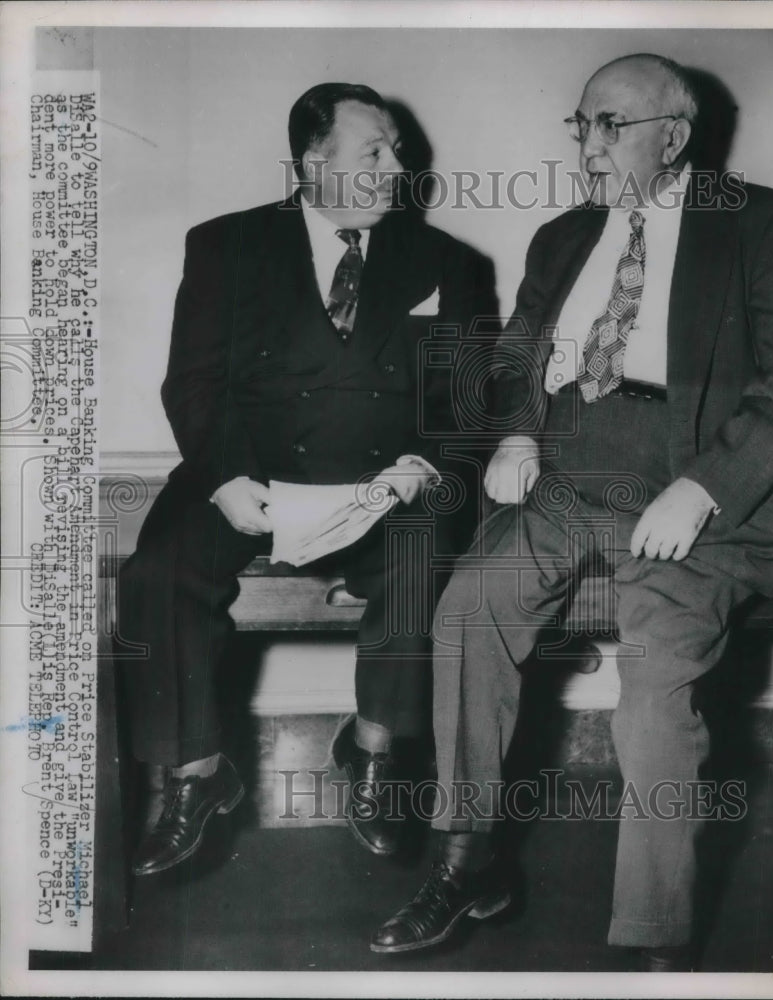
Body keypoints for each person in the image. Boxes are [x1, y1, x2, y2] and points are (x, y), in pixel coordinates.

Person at [371, 54, 773, 971]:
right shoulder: (563, 235)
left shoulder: (763, 224)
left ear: (672, 137)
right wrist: (517, 435)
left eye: (612, 126)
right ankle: (466, 858)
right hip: (567, 466)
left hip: (693, 489)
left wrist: (706, 484)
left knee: (652, 696)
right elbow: (519, 356)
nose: (589, 145)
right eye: (581, 125)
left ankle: (655, 943)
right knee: (468, 608)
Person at [117, 82, 493, 875]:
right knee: (157, 570)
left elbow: (467, 407)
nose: (399, 166)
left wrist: (418, 471)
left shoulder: (451, 264)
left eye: (397, 149)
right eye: (376, 152)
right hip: (246, 474)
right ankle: (196, 777)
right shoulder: (226, 246)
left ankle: (375, 754)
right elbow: (192, 382)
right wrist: (222, 479)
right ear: (312, 163)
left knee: (425, 552)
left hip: (385, 486)